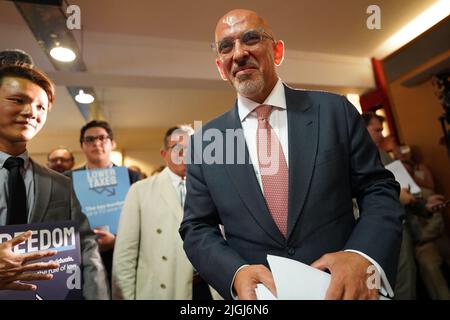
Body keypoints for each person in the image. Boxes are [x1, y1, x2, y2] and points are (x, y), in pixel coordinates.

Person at [180, 9, 403, 300]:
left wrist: (362, 255)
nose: (239, 53)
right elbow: (197, 227)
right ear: (221, 67)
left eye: (251, 38)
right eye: (226, 46)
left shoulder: (335, 112)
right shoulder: (205, 143)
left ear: (278, 51)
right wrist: (235, 272)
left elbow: (379, 189)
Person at [0, 65, 109, 299]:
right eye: (18, 100)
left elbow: (86, 248)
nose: (31, 112)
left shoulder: (60, 184)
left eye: (41, 107)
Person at [113, 125, 217, 299]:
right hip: (163, 290)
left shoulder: (213, 187)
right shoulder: (140, 191)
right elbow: (125, 254)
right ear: (164, 154)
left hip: (209, 288)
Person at [65, 120, 141, 286]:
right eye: (89, 140)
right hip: (81, 260)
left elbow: (142, 220)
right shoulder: (67, 180)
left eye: (102, 138)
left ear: (112, 143)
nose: (96, 143)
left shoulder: (131, 177)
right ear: (82, 146)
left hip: (123, 258)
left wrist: (117, 240)